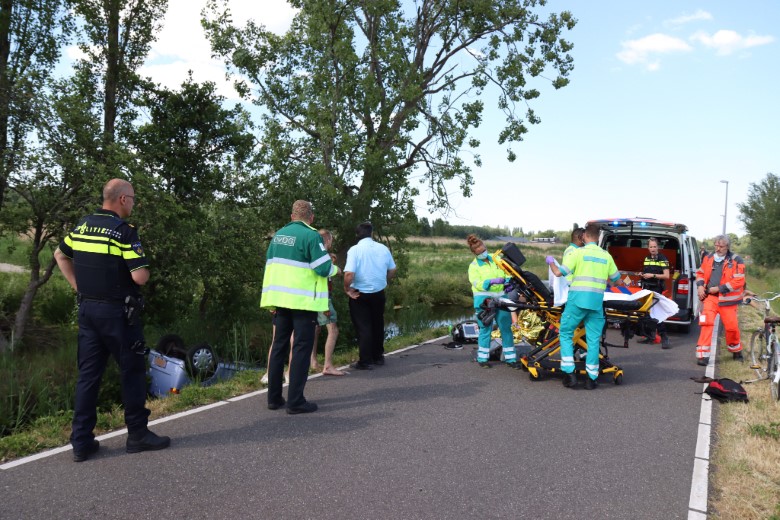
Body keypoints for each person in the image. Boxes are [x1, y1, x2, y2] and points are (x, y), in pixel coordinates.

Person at [54, 178, 170, 462]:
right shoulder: (123, 232)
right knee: (131, 371)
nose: (134, 203)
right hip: (118, 315)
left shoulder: (82, 226)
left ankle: (81, 442)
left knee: (88, 377)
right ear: (121, 199)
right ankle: (138, 435)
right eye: (132, 198)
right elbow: (139, 277)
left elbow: (60, 254)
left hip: (88, 312)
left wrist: (78, 287)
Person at [260, 200, 339, 414]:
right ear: (311, 217)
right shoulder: (311, 235)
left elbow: (271, 266)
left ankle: (274, 398)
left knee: (279, 347)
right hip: (302, 302)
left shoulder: (278, 236)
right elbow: (323, 268)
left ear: (291, 215)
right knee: (302, 349)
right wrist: (336, 269)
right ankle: (295, 401)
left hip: (280, 300)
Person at [547, 223, 623, 389]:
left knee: (566, 333)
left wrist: (551, 262)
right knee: (593, 340)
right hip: (596, 303)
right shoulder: (606, 256)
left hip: (577, 302)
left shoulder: (577, 253)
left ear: (584, 237)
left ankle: (569, 374)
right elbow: (618, 280)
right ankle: (591, 378)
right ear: (598, 238)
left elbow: (559, 273)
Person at [344, 222, 397, 370]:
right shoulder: (383, 249)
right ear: (371, 233)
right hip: (378, 292)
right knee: (378, 323)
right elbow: (393, 269)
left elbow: (349, 273)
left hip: (359, 293)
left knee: (363, 326)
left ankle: (365, 360)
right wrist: (384, 279)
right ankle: (378, 356)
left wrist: (346, 288)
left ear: (357, 235)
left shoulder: (354, 250)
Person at [466, 234, 518, 368]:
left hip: (501, 299)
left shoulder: (497, 260)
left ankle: (511, 359)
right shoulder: (473, 267)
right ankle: (482, 359)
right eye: (480, 252)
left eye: (484, 250)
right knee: (485, 329)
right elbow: (476, 283)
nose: (483, 253)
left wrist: (508, 281)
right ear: (475, 253)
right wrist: (490, 282)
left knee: (506, 328)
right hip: (484, 301)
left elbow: (507, 272)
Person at [694, 235, 745, 366]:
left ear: (727, 246)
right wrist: (700, 286)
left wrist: (719, 288)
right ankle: (702, 356)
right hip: (710, 299)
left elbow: (739, 281)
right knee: (706, 324)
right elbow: (700, 273)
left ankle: (736, 350)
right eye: (716, 245)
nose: (718, 248)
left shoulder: (736, 260)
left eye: (721, 246)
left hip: (728, 301)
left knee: (731, 328)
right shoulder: (709, 257)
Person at [312, 229, 345, 376]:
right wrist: (337, 269)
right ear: (328, 240)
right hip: (323, 298)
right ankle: (328, 365)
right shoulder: (323, 256)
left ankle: (312, 361)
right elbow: (330, 272)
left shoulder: (313, 253)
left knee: (315, 328)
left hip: (311, 296)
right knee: (333, 329)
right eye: (331, 241)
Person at [639, 238, 671, 349]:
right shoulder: (646, 258)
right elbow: (647, 272)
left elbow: (667, 276)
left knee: (657, 313)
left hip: (657, 288)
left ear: (658, 247)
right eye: (651, 247)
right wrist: (643, 274)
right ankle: (650, 336)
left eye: (654, 246)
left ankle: (664, 337)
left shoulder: (662, 258)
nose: (653, 249)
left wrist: (652, 275)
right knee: (647, 312)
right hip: (647, 287)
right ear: (648, 248)